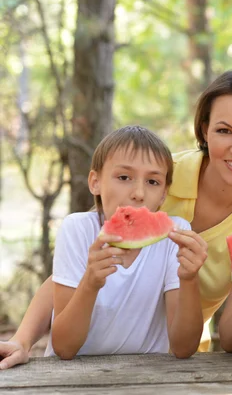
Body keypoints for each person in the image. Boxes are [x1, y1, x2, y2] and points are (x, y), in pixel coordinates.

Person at [0, 68, 232, 369]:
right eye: (224, 130)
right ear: (205, 130)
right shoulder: (159, 175)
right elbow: (76, 265)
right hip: (89, 351)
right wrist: (23, 340)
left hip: (176, 354)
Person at [47, 126, 205, 359]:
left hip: (146, 377)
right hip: (74, 377)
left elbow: (184, 348)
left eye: (153, 182)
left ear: (164, 194)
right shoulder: (77, 230)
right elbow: (64, 348)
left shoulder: (176, 234)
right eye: (124, 177)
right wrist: (90, 283)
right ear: (95, 182)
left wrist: (189, 279)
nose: (139, 193)